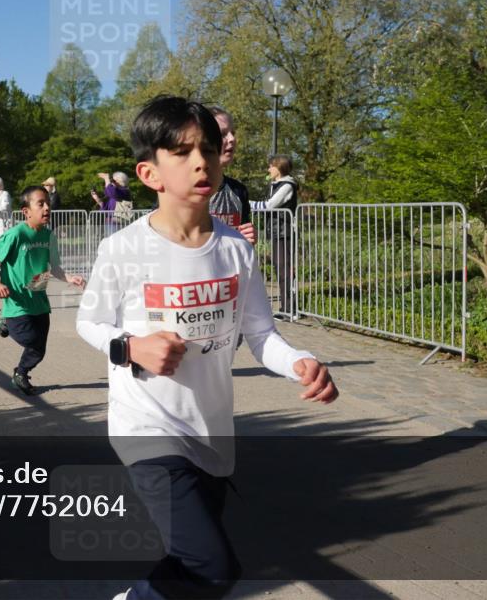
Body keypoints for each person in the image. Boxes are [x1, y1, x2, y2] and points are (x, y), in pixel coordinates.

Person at [76, 95, 337, 600]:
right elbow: (90, 321)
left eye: (210, 149)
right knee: (213, 567)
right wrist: (130, 346)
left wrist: (299, 362)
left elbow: (262, 335)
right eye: (183, 151)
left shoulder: (236, 249)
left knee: (188, 565)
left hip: (211, 432)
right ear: (149, 173)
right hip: (146, 428)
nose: (202, 161)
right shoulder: (123, 249)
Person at [0, 185, 86, 396]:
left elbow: (55, 267)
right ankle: (5, 321)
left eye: (48, 203)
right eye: (40, 204)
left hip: (39, 299)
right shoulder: (17, 234)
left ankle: (21, 373)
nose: (47, 207)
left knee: (39, 349)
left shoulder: (49, 235)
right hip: (17, 301)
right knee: (30, 339)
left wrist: (69, 277)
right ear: (26, 211)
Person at [206, 106, 257, 246]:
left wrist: (249, 237)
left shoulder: (238, 190)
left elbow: (244, 238)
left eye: (233, 132)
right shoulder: (180, 190)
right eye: (223, 134)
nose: (232, 139)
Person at [265, 154, 299, 316]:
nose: (268, 169)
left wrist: (246, 203)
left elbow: (270, 205)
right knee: (281, 269)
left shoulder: (286, 186)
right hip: (278, 231)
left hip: (284, 232)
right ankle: (287, 308)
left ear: (279, 168)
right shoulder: (277, 184)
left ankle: (289, 309)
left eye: (271, 166)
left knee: (284, 269)